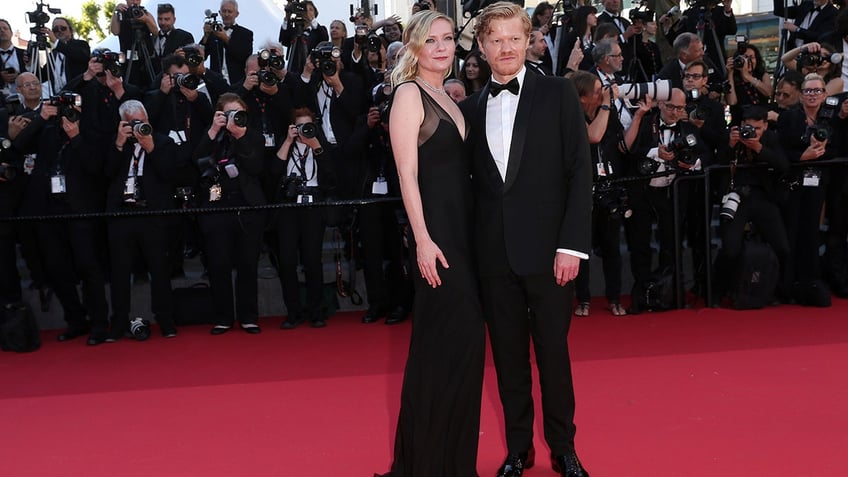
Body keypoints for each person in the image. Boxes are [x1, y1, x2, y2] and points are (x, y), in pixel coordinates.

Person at [462, 3, 591, 476]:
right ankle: (520, 449)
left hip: (551, 252)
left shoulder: (558, 92)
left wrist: (572, 245)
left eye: (514, 37)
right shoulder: (470, 109)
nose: (506, 47)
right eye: (495, 39)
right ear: (481, 47)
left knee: (554, 357)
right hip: (494, 257)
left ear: (530, 39)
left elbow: (579, 173)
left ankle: (564, 447)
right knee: (509, 360)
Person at [374, 9, 485, 477]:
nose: (442, 47)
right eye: (431, 40)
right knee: (439, 352)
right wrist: (421, 239)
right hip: (437, 240)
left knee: (465, 351)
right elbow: (407, 174)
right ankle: (424, 467)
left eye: (447, 39)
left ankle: (455, 464)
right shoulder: (408, 94)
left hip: (466, 238)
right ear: (415, 47)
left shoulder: (452, 97)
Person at [193, 93, 266, 334]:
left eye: (238, 113)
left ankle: (249, 317)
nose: (234, 118)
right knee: (218, 264)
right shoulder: (211, 135)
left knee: (248, 264)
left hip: (247, 208)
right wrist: (213, 130)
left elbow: (256, 167)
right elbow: (196, 162)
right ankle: (223, 317)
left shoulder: (253, 137)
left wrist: (240, 136)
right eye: (229, 114)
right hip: (216, 208)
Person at [200, 0, 253, 85]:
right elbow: (202, 56)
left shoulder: (246, 33)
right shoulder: (213, 32)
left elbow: (244, 55)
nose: (227, 14)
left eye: (230, 11)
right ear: (219, 13)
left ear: (237, 14)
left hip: (238, 82)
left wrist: (226, 39)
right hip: (216, 82)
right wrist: (206, 36)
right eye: (224, 11)